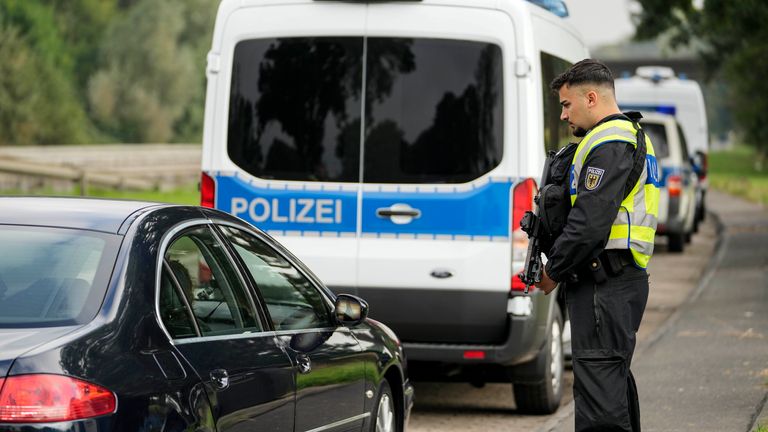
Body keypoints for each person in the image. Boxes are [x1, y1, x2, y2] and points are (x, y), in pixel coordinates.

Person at [535, 59, 660, 431]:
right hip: (616, 281)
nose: (562, 115)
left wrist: (552, 271)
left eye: (567, 104)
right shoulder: (627, 136)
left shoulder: (610, 142)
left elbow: (590, 223)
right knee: (611, 385)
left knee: (600, 405)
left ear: (591, 97)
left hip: (605, 284)